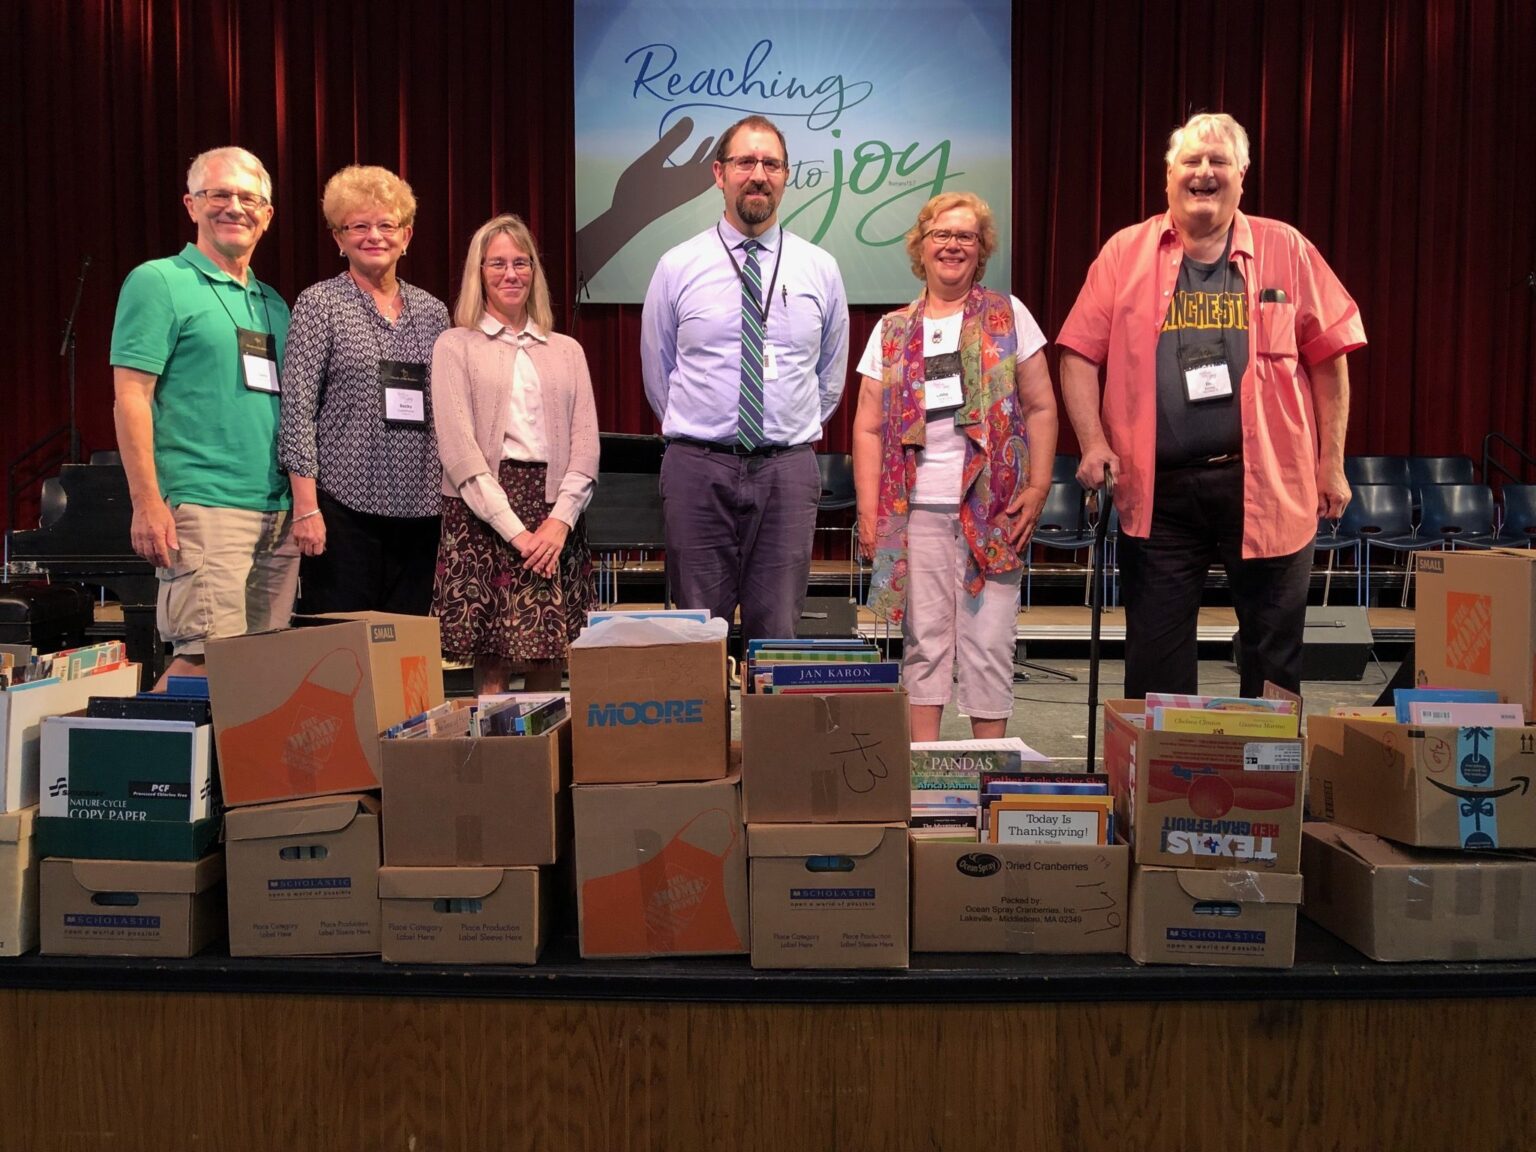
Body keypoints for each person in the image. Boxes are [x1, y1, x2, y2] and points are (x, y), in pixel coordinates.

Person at [1057, 112, 1366, 698]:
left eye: (1219, 161)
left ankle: (1266, 760)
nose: (1204, 172)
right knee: (1156, 663)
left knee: (1273, 656)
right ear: (1168, 176)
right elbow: (1077, 354)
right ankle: (1163, 763)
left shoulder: (1287, 247)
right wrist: (1093, 442)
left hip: (1268, 481)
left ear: (1242, 175)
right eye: (1191, 161)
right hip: (1159, 491)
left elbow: (1329, 359)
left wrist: (1332, 464)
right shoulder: (1124, 251)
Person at [852, 192, 1058, 741]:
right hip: (915, 511)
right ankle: (927, 775)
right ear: (921, 246)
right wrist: (869, 512)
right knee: (925, 644)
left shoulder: (1009, 315)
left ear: (981, 249)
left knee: (990, 643)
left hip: (996, 511)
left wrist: (1039, 485)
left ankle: (988, 776)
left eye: (966, 236)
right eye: (941, 234)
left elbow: (1041, 405)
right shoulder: (892, 330)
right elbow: (867, 426)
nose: (952, 245)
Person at [640, 114, 850, 644]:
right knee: (697, 636)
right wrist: (707, 434)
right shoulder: (677, 266)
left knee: (777, 635)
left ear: (786, 176)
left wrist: (783, 429)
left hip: (786, 472)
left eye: (771, 164)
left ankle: (764, 706)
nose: (758, 175)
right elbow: (659, 374)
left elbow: (829, 377)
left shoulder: (820, 268)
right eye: (745, 162)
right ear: (719, 173)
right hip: (698, 469)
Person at [110, 145, 297, 686]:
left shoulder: (273, 303)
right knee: (203, 660)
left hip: (277, 513)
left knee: (259, 674)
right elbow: (130, 398)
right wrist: (147, 502)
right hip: (204, 505)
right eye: (219, 194)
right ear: (191, 204)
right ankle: (143, 747)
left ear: (267, 215)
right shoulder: (158, 281)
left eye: (249, 198)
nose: (234, 207)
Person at [430, 215, 599, 693]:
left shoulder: (567, 350)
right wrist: (517, 534)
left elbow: (586, 446)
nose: (511, 273)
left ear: (534, 272)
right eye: (498, 263)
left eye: (521, 263)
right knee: (494, 665)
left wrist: (559, 522)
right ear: (479, 272)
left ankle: (548, 744)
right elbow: (459, 452)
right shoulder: (455, 345)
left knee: (549, 655)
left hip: (553, 512)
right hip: (484, 514)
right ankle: (498, 746)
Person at [278, 165, 449, 615]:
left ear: (406, 236)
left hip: (422, 509)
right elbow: (297, 410)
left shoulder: (434, 312)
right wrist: (306, 507)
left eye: (386, 225)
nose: (374, 236)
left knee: (407, 646)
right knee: (343, 646)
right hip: (341, 510)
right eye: (358, 226)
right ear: (339, 238)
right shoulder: (319, 304)